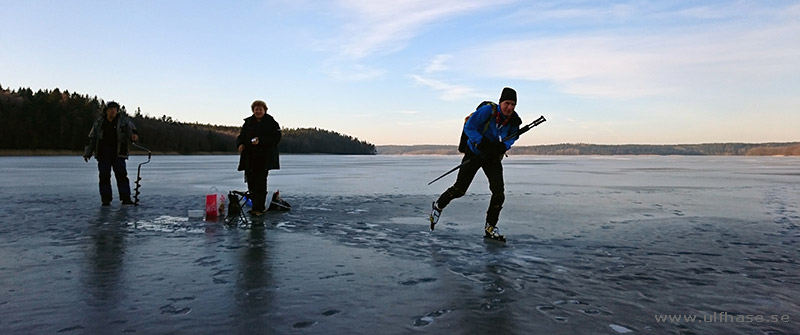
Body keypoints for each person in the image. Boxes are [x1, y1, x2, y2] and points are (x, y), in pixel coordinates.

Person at [430, 87, 522, 241]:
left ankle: (490, 227)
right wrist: (481, 142)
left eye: (513, 104)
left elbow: (514, 136)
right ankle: (438, 206)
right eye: (507, 103)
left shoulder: (514, 120)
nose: (510, 107)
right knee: (459, 189)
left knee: (499, 193)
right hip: (475, 153)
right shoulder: (487, 111)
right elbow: (469, 127)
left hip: (492, 157)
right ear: (500, 102)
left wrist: (504, 145)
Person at [83, 101, 139, 206]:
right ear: (107, 110)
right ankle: (106, 199)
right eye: (111, 109)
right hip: (103, 153)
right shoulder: (99, 122)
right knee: (104, 176)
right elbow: (92, 138)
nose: (113, 111)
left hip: (119, 153)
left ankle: (126, 198)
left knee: (122, 176)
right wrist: (88, 153)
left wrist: (134, 136)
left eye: (115, 109)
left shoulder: (124, 121)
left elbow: (132, 130)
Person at [237, 100, 281, 217]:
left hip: (264, 158)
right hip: (249, 158)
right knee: (251, 183)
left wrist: (260, 140)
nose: (258, 111)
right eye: (256, 109)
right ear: (253, 110)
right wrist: (240, 144)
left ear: (265, 110)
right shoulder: (248, 123)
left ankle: (259, 208)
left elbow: (276, 138)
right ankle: (255, 207)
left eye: (260, 109)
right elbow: (241, 136)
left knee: (260, 184)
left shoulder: (271, 123)